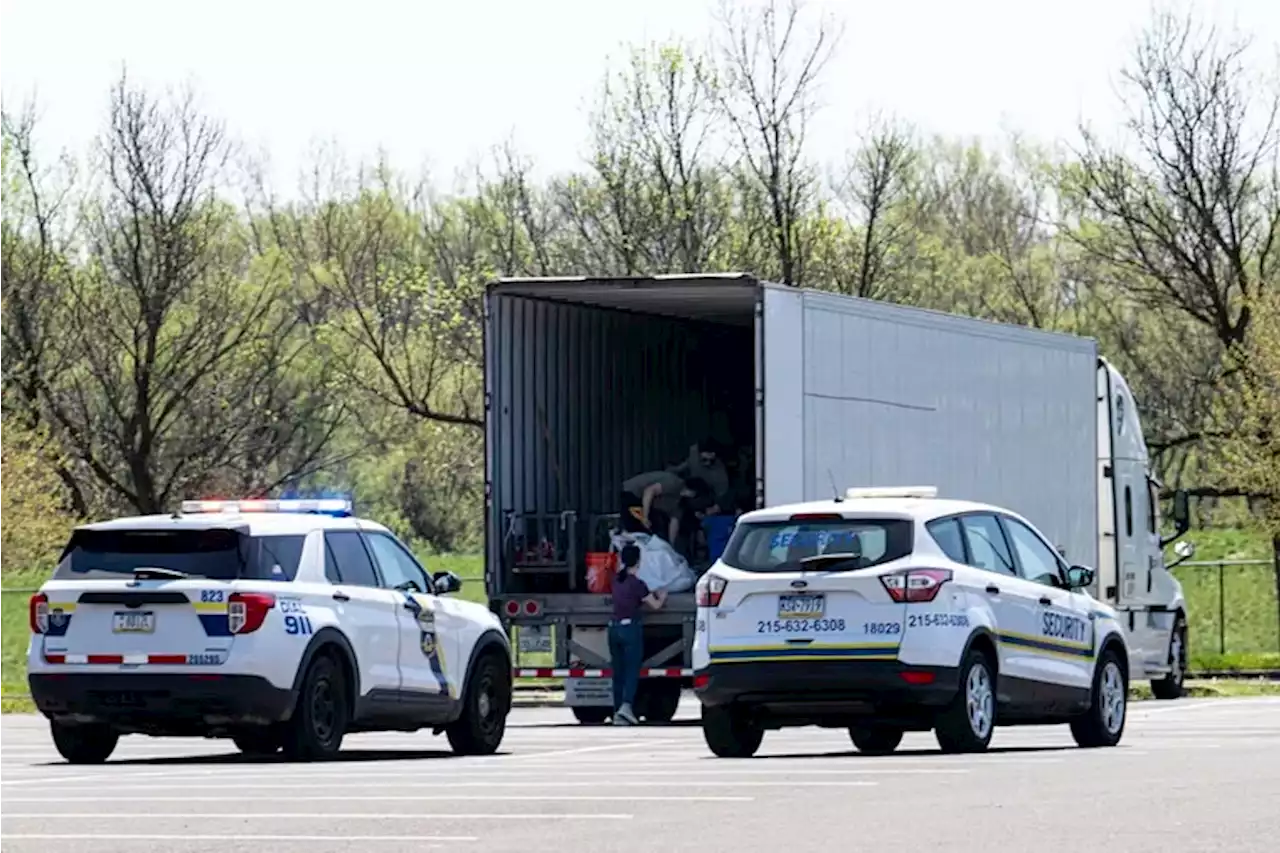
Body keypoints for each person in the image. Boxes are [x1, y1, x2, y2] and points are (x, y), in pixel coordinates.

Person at [608, 543, 667, 725]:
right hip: (629, 629)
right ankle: (627, 706)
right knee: (631, 671)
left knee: (618, 672)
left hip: (613, 628)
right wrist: (662, 595)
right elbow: (655, 605)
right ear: (639, 562)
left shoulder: (616, 581)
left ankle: (617, 710)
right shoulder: (638, 584)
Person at [620, 470, 690, 543]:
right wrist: (645, 517)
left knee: (649, 529)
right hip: (634, 492)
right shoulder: (674, 483)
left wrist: (671, 545)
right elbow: (649, 491)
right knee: (635, 529)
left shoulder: (680, 500)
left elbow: (675, 521)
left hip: (645, 501)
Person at [668, 439, 732, 517]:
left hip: (706, 497)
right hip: (689, 488)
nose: (707, 463)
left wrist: (713, 508)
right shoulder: (694, 455)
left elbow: (721, 496)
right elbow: (683, 466)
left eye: (711, 461)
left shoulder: (720, 475)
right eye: (704, 460)